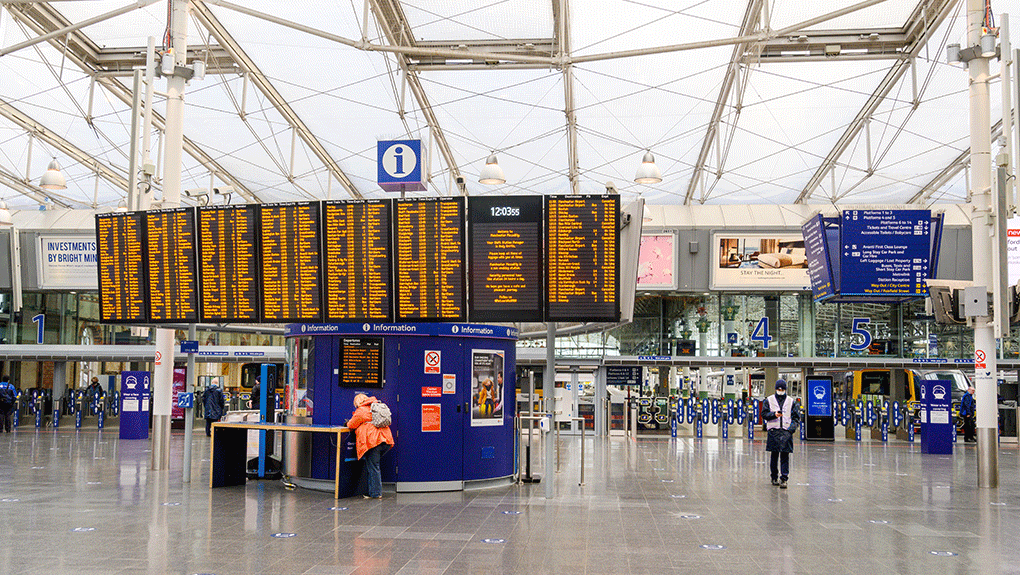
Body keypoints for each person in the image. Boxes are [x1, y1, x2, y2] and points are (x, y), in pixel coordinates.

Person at [347, 393, 394, 499]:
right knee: (373, 465)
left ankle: (375, 493)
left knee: (373, 467)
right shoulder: (376, 406)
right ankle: (373, 490)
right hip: (386, 440)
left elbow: (351, 424)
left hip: (374, 441)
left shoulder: (361, 410)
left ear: (358, 402)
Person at [763, 379, 800, 489]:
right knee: (774, 456)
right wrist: (774, 414)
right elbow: (764, 414)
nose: (780, 391)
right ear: (775, 389)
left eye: (782, 389)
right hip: (773, 431)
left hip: (786, 431)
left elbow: (796, 418)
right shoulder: (769, 400)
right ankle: (774, 477)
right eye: (779, 389)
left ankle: (784, 478)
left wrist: (790, 430)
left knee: (785, 456)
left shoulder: (791, 401)